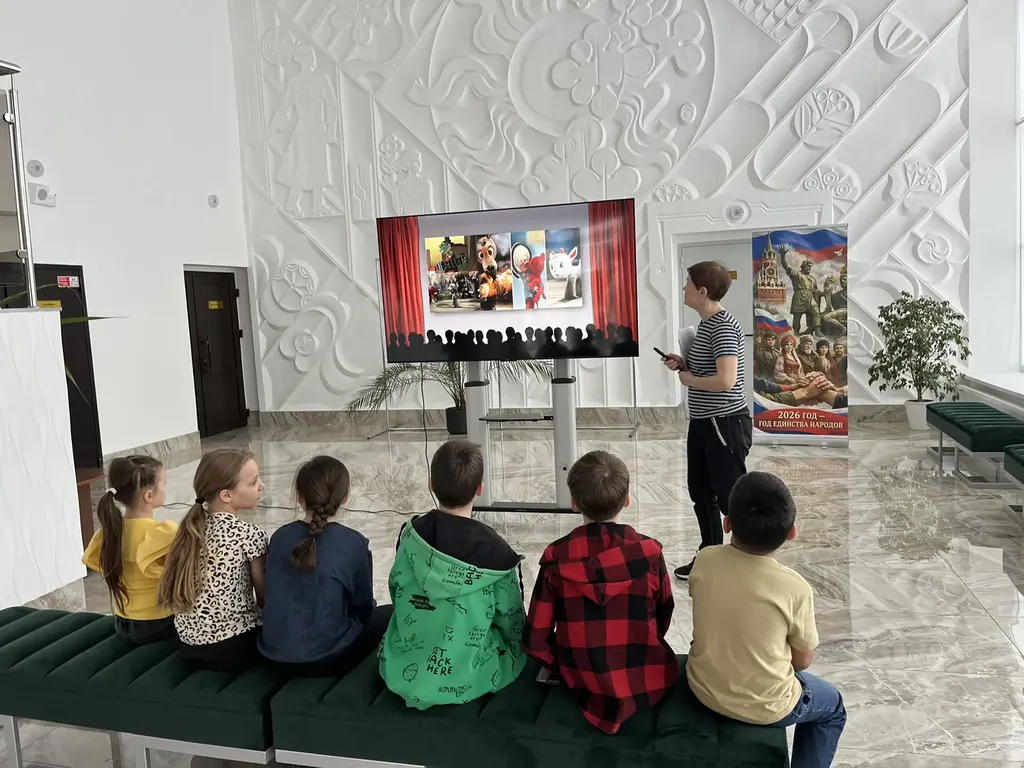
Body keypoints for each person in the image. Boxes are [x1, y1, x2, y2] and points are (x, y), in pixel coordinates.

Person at [686, 472, 846, 768]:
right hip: (768, 707)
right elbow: (802, 661)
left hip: (703, 687)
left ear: (727, 523)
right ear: (792, 533)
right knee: (833, 707)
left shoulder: (705, 560)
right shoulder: (795, 588)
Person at [523, 450, 677, 734]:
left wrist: (565, 664)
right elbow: (663, 616)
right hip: (650, 679)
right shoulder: (649, 554)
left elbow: (535, 640)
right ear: (627, 500)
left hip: (580, 681)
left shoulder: (556, 559)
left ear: (573, 503)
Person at [379, 439, 526, 708]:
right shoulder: (498, 552)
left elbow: (396, 589)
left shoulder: (410, 534)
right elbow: (512, 622)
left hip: (401, 669)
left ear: (431, 484)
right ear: (480, 489)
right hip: (472, 675)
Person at [259, 455, 393, 676]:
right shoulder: (353, 542)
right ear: (346, 496)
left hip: (273, 656)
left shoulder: (279, 536)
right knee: (389, 614)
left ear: (299, 496)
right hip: (328, 660)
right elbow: (363, 606)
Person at [664, 261, 752, 579]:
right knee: (700, 492)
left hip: (724, 422)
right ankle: (710, 555)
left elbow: (727, 381)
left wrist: (690, 380)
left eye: (688, 284)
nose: (684, 288)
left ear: (702, 291)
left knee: (730, 496)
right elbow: (710, 369)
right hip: (703, 421)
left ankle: (746, 560)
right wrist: (684, 363)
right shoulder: (706, 325)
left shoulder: (723, 327)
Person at [159, 449, 269, 672]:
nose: (262, 486)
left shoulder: (189, 531)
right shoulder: (249, 535)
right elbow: (264, 598)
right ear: (226, 495)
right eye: (254, 482)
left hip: (188, 646)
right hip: (232, 649)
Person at [82, 456, 178, 644]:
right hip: (159, 624)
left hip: (123, 622)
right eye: (164, 483)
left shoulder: (109, 532)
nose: (166, 489)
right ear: (148, 496)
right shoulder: (163, 533)